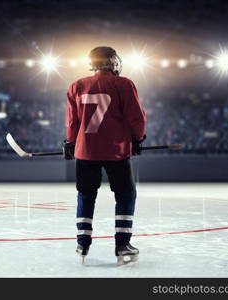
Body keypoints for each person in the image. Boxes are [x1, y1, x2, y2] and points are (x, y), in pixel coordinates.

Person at [63, 46, 147, 265]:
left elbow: (72, 123)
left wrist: (71, 143)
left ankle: (82, 242)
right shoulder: (124, 84)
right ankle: (122, 244)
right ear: (112, 61)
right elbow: (136, 118)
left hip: (86, 150)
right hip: (115, 151)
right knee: (126, 194)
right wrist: (137, 139)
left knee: (86, 195)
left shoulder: (76, 86)